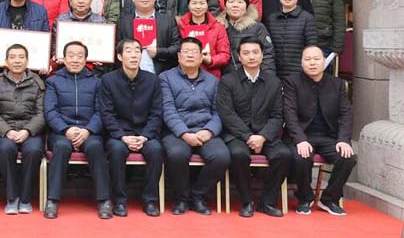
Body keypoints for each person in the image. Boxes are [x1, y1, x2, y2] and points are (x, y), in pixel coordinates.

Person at [216, 38, 290, 218]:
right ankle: (246, 201)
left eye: (255, 52)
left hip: (266, 134)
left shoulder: (273, 82)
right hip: (238, 135)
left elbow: (277, 116)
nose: (251, 57)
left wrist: (262, 137)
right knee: (238, 154)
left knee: (284, 155)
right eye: (246, 53)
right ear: (239, 57)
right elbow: (227, 114)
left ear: (262, 55)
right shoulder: (228, 81)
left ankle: (267, 202)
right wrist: (248, 136)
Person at [160, 37, 230, 215]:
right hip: (177, 132)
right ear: (179, 56)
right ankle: (181, 199)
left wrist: (209, 131)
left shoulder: (213, 81)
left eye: (194, 52)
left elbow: (219, 112)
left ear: (201, 57)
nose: (190, 55)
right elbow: (168, 110)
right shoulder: (165, 78)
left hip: (205, 130)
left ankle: (198, 195)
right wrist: (184, 133)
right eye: (186, 51)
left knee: (221, 157)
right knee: (177, 154)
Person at [284, 46, 356, 216]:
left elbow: (346, 113)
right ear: (301, 63)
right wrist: (300, 139)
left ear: (324, 62)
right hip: (301, 135)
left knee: (347, 158)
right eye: (307, 59)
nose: (312, 63)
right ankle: (305, 197)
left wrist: (343, 140)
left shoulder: (337, 84)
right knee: (301, 157)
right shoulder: (292, 82)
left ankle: (329, 198)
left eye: (316, 59)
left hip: (328, 137)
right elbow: (289, 113)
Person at [43, 41, 110, 219]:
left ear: (86, 60)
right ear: (64, 59)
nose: (75, 60)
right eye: (71, 56)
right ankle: (52, 200)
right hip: (62, 132)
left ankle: (104, 200)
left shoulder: (96, 82)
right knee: (61, 147)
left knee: (95, 147)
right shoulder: (53, 81)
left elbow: (101, 111)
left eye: (79, 56)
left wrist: (88, 130)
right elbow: (50, 112)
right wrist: (66, 130)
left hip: (89, 131)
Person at [97, 38, 163, 217]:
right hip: (119, 133)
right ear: (120, 56)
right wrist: (122, 136)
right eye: (128, 51)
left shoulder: (152, 80)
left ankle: (150, 200)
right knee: (116, 150)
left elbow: (157, 113)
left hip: (145, 133)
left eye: (137, 51)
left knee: (156, 150)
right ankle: (119, 201)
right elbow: (106, 113)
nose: (134, 55)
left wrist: (145, 136)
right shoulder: (108, 80)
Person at [0, 44, 46, 215]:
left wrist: (27, 130)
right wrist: (7, 131)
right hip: (4, 131)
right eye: (12, 57)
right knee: (6, 149)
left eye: (21, 57)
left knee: (34, 151)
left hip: (30, 130)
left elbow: (42, 113)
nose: (17, 61)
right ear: (6, 61)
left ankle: (26, 198)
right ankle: (12, 197)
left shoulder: (37, 82)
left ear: (27, 61)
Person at [117, 0, 181, 74]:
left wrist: (158, 52)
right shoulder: (124, 22)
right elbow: (118, 48)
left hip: (161, 74)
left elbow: (177, 46)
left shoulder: (167, 21)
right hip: (131, 75)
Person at [217, 0, 276, 74]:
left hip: (252, 75)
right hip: (225, 77)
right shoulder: (218, 27)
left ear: (246, 6)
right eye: (231, 2)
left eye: (240, 2)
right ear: (225, 6)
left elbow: (268, 55)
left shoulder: (257, 27)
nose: (235, 5)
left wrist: (268, 77)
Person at [268, 0, 317, 80]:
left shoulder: (307, 18)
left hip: (300, 74)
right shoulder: (272, 18)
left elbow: (311, 47)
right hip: (275, 73)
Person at [177, 0, 231, 78]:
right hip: (185, 74)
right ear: (188, 5)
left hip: (210, 75)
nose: (198, 7)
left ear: (207, 5)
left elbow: (225, 54)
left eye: (202, 3)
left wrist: (211, 60)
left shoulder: (218, 27)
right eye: (194, 3)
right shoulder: (180, 26)